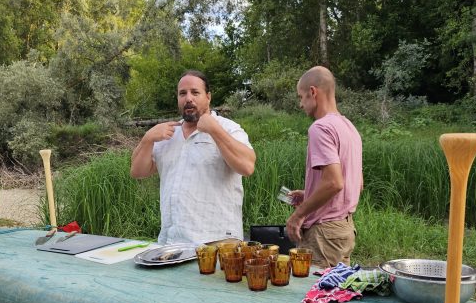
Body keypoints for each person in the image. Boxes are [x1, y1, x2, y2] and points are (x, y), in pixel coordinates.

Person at [130, 70, 256, 245]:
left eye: (195, 92)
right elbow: (138, 172)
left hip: (219, 242)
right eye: (183, 93)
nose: (188, 98)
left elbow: (247, 167)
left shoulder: (228, 128)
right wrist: (147, 139)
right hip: (172, 241)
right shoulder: (167, 133)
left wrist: (214, 129)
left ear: (208, 97)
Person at [286, 66, 363, 267]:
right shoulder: (349, 128)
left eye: (301, 97)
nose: (300, 104)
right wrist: (310, 194)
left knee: (315, 294)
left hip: (324, 234)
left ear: (313, 92)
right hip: (344, 230)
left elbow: (334, 182)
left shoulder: (320, 128)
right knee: (337, 293)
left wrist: (298, 215)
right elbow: (356, 184)